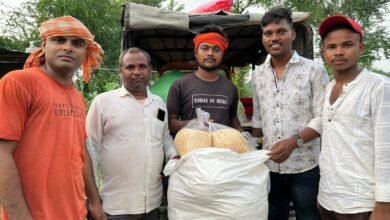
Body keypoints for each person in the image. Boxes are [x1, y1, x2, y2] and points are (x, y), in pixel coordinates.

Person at [0, 16, 105, 220]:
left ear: (85, 52)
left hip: (74, 213)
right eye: (59, 40)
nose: (68, 47)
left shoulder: (77, 97)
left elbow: (81, 152)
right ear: (44, 45)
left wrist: (93, 202)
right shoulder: (18, 82)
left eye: (77, 43)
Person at [251, 7, 329, 220]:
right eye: (268, 33)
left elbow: (323, 117)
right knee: (274, 216)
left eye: (281, 31)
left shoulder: (314, 70)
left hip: (305, 166)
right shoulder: (257, 75)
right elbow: (258, 118)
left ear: (292, 34)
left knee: (309, 216)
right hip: (270, 165)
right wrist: (246, 144)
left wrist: (294, 142)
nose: (274, 38)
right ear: (263, 38)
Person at [86, 47, 178, 220]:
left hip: (152, 203)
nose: (137, 72)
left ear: (150, 70)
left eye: (142, 66)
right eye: (130, 67)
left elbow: (164, 138)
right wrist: (93, 201)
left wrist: (174, 155)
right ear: (121, 71)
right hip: (115, 206)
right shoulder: (103, 102)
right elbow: (89, 151)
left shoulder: (158, 104)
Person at [318, 15, 390, 220]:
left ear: (361, 48)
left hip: (363, 203)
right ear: (324, 52)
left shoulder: (379, 86)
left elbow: (387, 149)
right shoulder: (329, 87)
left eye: (347, 44)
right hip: (329, 199)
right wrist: (323, 192)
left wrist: (385, 204)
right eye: (331, 46)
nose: (339, 51)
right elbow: (330, 144)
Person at [166, 24, 243, 135]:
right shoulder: (179, 85)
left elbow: (233, 119)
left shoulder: (231, 88)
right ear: (196, 53)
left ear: (222, 54)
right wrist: (192, 124)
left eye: (216, 49)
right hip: (191, 149)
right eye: (205, 48)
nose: (210, 53)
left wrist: (243, 135)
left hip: (223, 150)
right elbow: (170, 123)